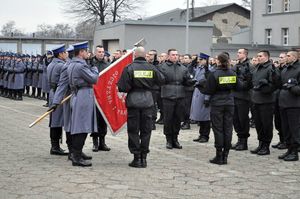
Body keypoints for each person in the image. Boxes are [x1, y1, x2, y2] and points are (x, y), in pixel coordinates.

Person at [117, 47, 165, 168]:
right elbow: (161, 80)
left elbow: (123, 87)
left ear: (134, 55)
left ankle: (136, 158)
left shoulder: (129, 68)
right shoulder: (151, 67)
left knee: (133, 130)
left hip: (133, 101)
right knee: (146, 130)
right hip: (148, 101)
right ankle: (144, 158)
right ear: (145, 56)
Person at [199, 53, 250, 165]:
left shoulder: (214, 74)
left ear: (218, 61)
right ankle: (225, 155)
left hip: (217, 103)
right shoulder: (232, 72)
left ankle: (219, 155)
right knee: (228, 128)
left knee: (218, 129)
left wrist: (200, 85)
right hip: (230, 102)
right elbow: (240, 87)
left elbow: (208, 90)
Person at [67, 41, 99, 167]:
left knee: (79, 126)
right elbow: (94, 79)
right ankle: (76, 156)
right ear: (81, 52)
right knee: (82, 127)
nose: (87, 53)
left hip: (77, 95)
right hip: (83, 96)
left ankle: (77, 153)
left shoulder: (72, 64)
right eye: (86, 51)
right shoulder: (81, 66)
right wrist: (95, 69)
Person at [158, 49, 194, 149]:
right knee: (168, 119)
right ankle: (169, 139)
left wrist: (192, 81)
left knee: (177, 119)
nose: (175, 56)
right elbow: (160, 80)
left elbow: (187, 81)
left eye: (177, 55)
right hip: (168, 96)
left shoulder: (182, 68)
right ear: (168, 56)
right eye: (173, 55)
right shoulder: (162, 67)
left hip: (180, 96)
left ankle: (175, 139)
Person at [250, 50, 279, 155]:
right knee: (258, 124)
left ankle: (266, 146)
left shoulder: (270, 68)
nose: (258, 57)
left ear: (266, 57)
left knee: (266, 124)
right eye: (257, 56)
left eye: (260, 56)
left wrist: (265, 87)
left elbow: (274, 84)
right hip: (256, 100)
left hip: (266, 101)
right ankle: (261, 144)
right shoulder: (257, 67)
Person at [278, 51, 300, 161]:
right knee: (286, 129)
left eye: (288, 56)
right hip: (283, 102)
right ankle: (289, 150)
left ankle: (295, 152)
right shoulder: (285, 69)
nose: (286, 57)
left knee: (294, 129)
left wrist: (292, 87)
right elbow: (280, 84)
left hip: (294, 104)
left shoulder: (298, 69)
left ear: (295, 58)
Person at [47, 44, 68, 156]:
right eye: (65, 52)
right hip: (59, 94)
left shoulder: (51, 64)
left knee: (54, 120)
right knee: (57, 121)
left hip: (52, 92)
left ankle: (54, 145)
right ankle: (55, 147)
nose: (66, 54)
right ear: (60, 54)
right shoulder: (62, 66)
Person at [90, 45, 111, 152]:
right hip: (93, 97)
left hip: (104, 98)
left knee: (103, 120)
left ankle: (102, 142)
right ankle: (95, 143)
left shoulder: (108, 65)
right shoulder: (90, 64)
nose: (101, 53)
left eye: (103, 52)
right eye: (99, 52)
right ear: (95, 53)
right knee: (95, 120)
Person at [231, 48, 252, 151]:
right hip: (234, 95)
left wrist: (237, 81)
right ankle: (239, 139)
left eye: (239, 53)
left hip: (243, 96)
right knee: (235, 119)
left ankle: (244, 142)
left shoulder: (249, 66)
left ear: (245, 54)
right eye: (237, 52)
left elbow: (248, 83)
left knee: (243, 119)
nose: (237, 54)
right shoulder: (236, 65)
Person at [191, 53, 211, 143]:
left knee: (205, 117)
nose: (199, 61)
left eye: (201, 59)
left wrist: (207, 98)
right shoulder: (199, 68)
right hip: (197, 92)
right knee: (200, 116)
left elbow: (209, 84)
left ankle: (205, 135)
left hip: (204, 93)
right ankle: (201, 134)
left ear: (205, 60)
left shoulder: (209, 70)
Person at [272, 52, 287, 150]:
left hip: (285, 98)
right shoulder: (277, 69)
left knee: (284, 121)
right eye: (279, 57)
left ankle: (286, 141)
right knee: (277, 121)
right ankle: (281, 140)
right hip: (276, 98)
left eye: (282, 57)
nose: (280, 59)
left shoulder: (287, 69)